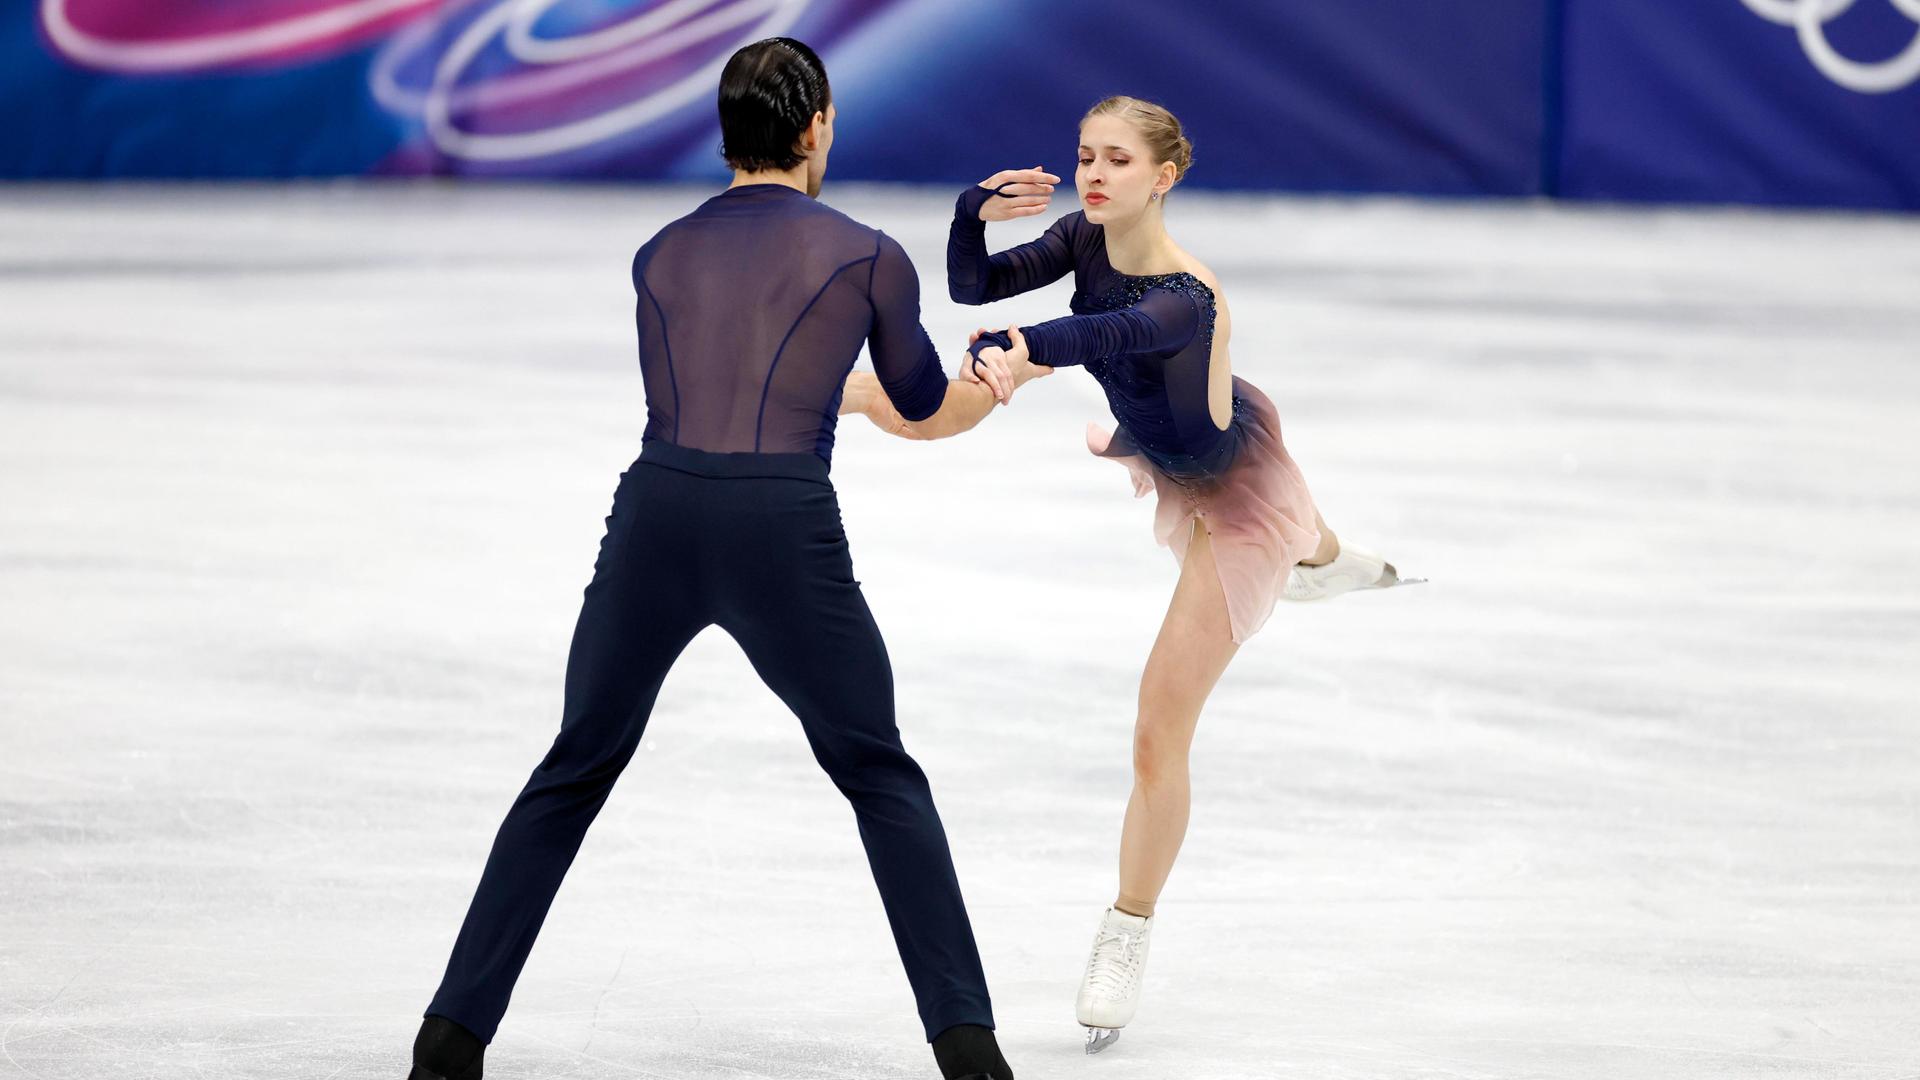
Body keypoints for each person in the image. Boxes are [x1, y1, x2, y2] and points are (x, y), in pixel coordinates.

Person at [407, 38, 1030, 1080]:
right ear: (818, 125)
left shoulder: (658, 250)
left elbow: (721, 373)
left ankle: (446, 1042)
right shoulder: (869, 253)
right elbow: (921, 402)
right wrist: (1001, 379)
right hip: (781, 524)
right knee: (878, 772)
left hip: (653, 516)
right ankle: (970, 1056)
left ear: (727, 131)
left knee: (573, 768)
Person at [931, 96, 1409, 1053]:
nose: (1094, 174)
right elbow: (973, 289)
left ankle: (1127, 928)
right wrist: (968, 212)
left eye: (1116, 160)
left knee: (1159, 727)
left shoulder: (1190, 296)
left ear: (1166, 176)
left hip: (1228, 482)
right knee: (1301, 534)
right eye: (1083, 157)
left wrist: (1030, 352)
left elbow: (1106, 339)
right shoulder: (1085, 237)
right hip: (1170, 437)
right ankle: (1327, 556)